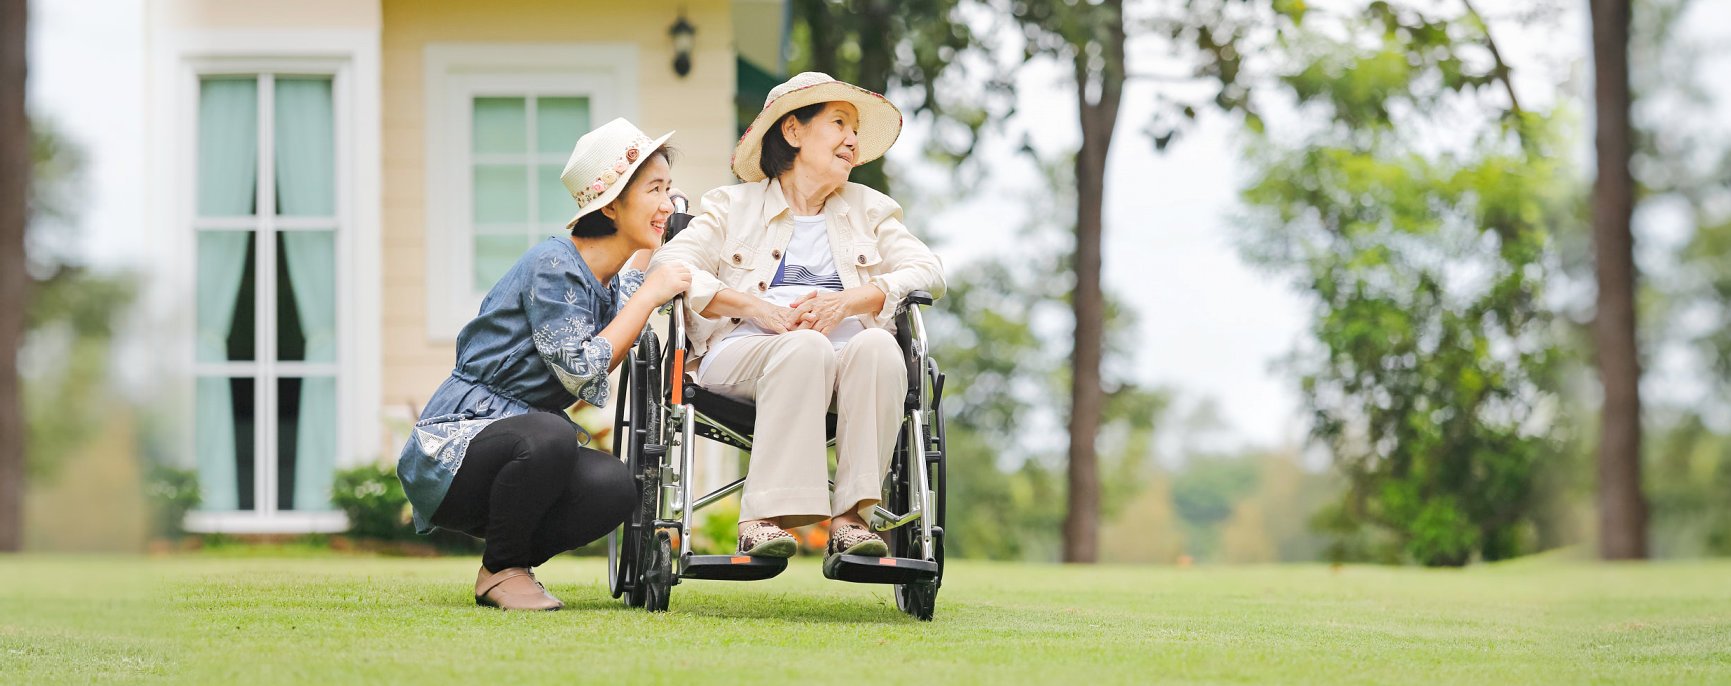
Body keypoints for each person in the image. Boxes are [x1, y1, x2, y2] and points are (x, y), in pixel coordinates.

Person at [650, 72, 944, 568]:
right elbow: (668, 267)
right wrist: (755, 307)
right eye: (838, 123)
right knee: (804, 346)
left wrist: (848, 303)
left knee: (880, 349)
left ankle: (851, 521)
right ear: (793, 131)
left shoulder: (870, 209)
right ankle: (761, 521)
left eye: (855, 129)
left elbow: (928, 271)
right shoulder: (731, 206)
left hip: (848, 356)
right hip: (746, 351)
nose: (852, 139)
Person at [396, 118, 691, 611]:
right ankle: (503, 572)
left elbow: (628, 300)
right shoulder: (554, 265)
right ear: (612, 203)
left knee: (615, 487)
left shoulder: (608, 277)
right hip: (455, 448)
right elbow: (581, 370)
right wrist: (651, 296)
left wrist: (653, 267)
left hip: (523, 452)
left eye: (670, 190)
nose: (667, 203)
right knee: (551, 435)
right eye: (655, 189)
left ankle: (504, 564)